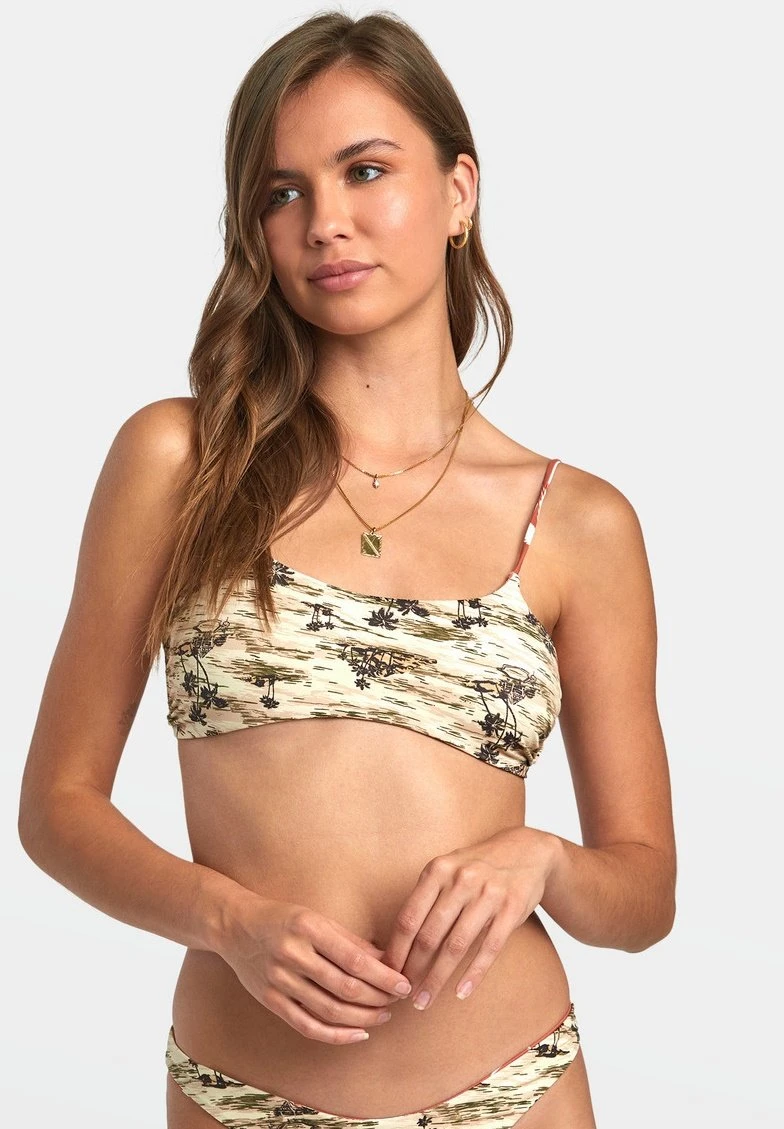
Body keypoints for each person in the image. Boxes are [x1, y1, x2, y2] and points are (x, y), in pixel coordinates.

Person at [18, 10, 677, 1128]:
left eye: (365, 171)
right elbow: (56, 807)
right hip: (242, 1093)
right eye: (283, 192)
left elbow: (645, 892)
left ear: (459, 192)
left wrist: (547, 863)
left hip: (510, 1086)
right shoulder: (180, 462)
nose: (325, 221)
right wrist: (227, 920)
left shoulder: (578, 524)